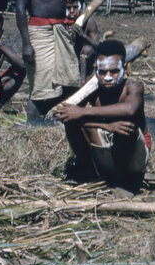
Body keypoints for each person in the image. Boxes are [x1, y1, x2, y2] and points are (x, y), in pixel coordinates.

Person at [15, 0, 92, 116]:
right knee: (41, 88)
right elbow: (19, 8)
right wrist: (26, 44)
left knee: (67, 81)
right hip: (40, 35)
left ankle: (54, 117)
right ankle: (33, 127)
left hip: (60, 33)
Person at [54, 39, 149, 189]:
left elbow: (130, 109)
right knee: (72, 120)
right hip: (103, 152)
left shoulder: (134, 87)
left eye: (114, 71)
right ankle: (91, 176)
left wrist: (84, 111)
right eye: (103, 72)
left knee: (125, 127)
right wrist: (107, 126)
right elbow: (66, 114)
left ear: (124, 68)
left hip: (132, 160)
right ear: (96, 70)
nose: (108, 77)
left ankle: (122, 183)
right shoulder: (92, 91)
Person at [65, 0, 101, 79]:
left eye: (75, 7)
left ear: (80, 7)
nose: (72, 11)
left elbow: (98, 46)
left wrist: (83, 36)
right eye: (69, 8)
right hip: (66, 57)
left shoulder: (89, 22)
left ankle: (82, 81)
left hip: (84, 59)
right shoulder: (62, 22)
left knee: (87, 49)